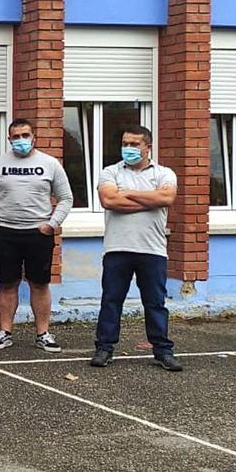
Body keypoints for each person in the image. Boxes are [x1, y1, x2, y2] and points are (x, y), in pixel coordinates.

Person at [0, 118, 73, 353]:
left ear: (34, 137)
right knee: (8, 284)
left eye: (25, 135)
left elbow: (66, 198)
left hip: (38, 234)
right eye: (16, 136)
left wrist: (52, 225)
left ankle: (43, 334)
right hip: (5, 233)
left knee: (39, 284)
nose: (21, 140)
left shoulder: (50, 164)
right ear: (9, 139)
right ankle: (5, 332)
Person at [91, 126, 182, 371]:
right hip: (117, 248)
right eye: (125, 143)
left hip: (152, 250)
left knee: (155, 303)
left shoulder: (164, 173)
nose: (128, 148)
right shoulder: (110, 172)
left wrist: (129, 194)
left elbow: (166, 199)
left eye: (134, 144)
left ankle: (163, 350)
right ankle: (104, 348)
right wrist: (149, 200)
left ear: (147, 147)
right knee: (111, 300)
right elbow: (109, 200)